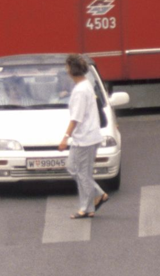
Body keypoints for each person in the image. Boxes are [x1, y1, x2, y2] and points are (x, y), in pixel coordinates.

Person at [59, 54, 108, 219]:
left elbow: (76, 118)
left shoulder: (80, 91)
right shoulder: (85, 84)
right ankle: (98, 195)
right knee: (73, 168)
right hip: (86, 137)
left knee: (82, 173)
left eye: (67, 68)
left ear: (71, 71)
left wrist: (65, 137)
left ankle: (86, 208)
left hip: (85, 138)